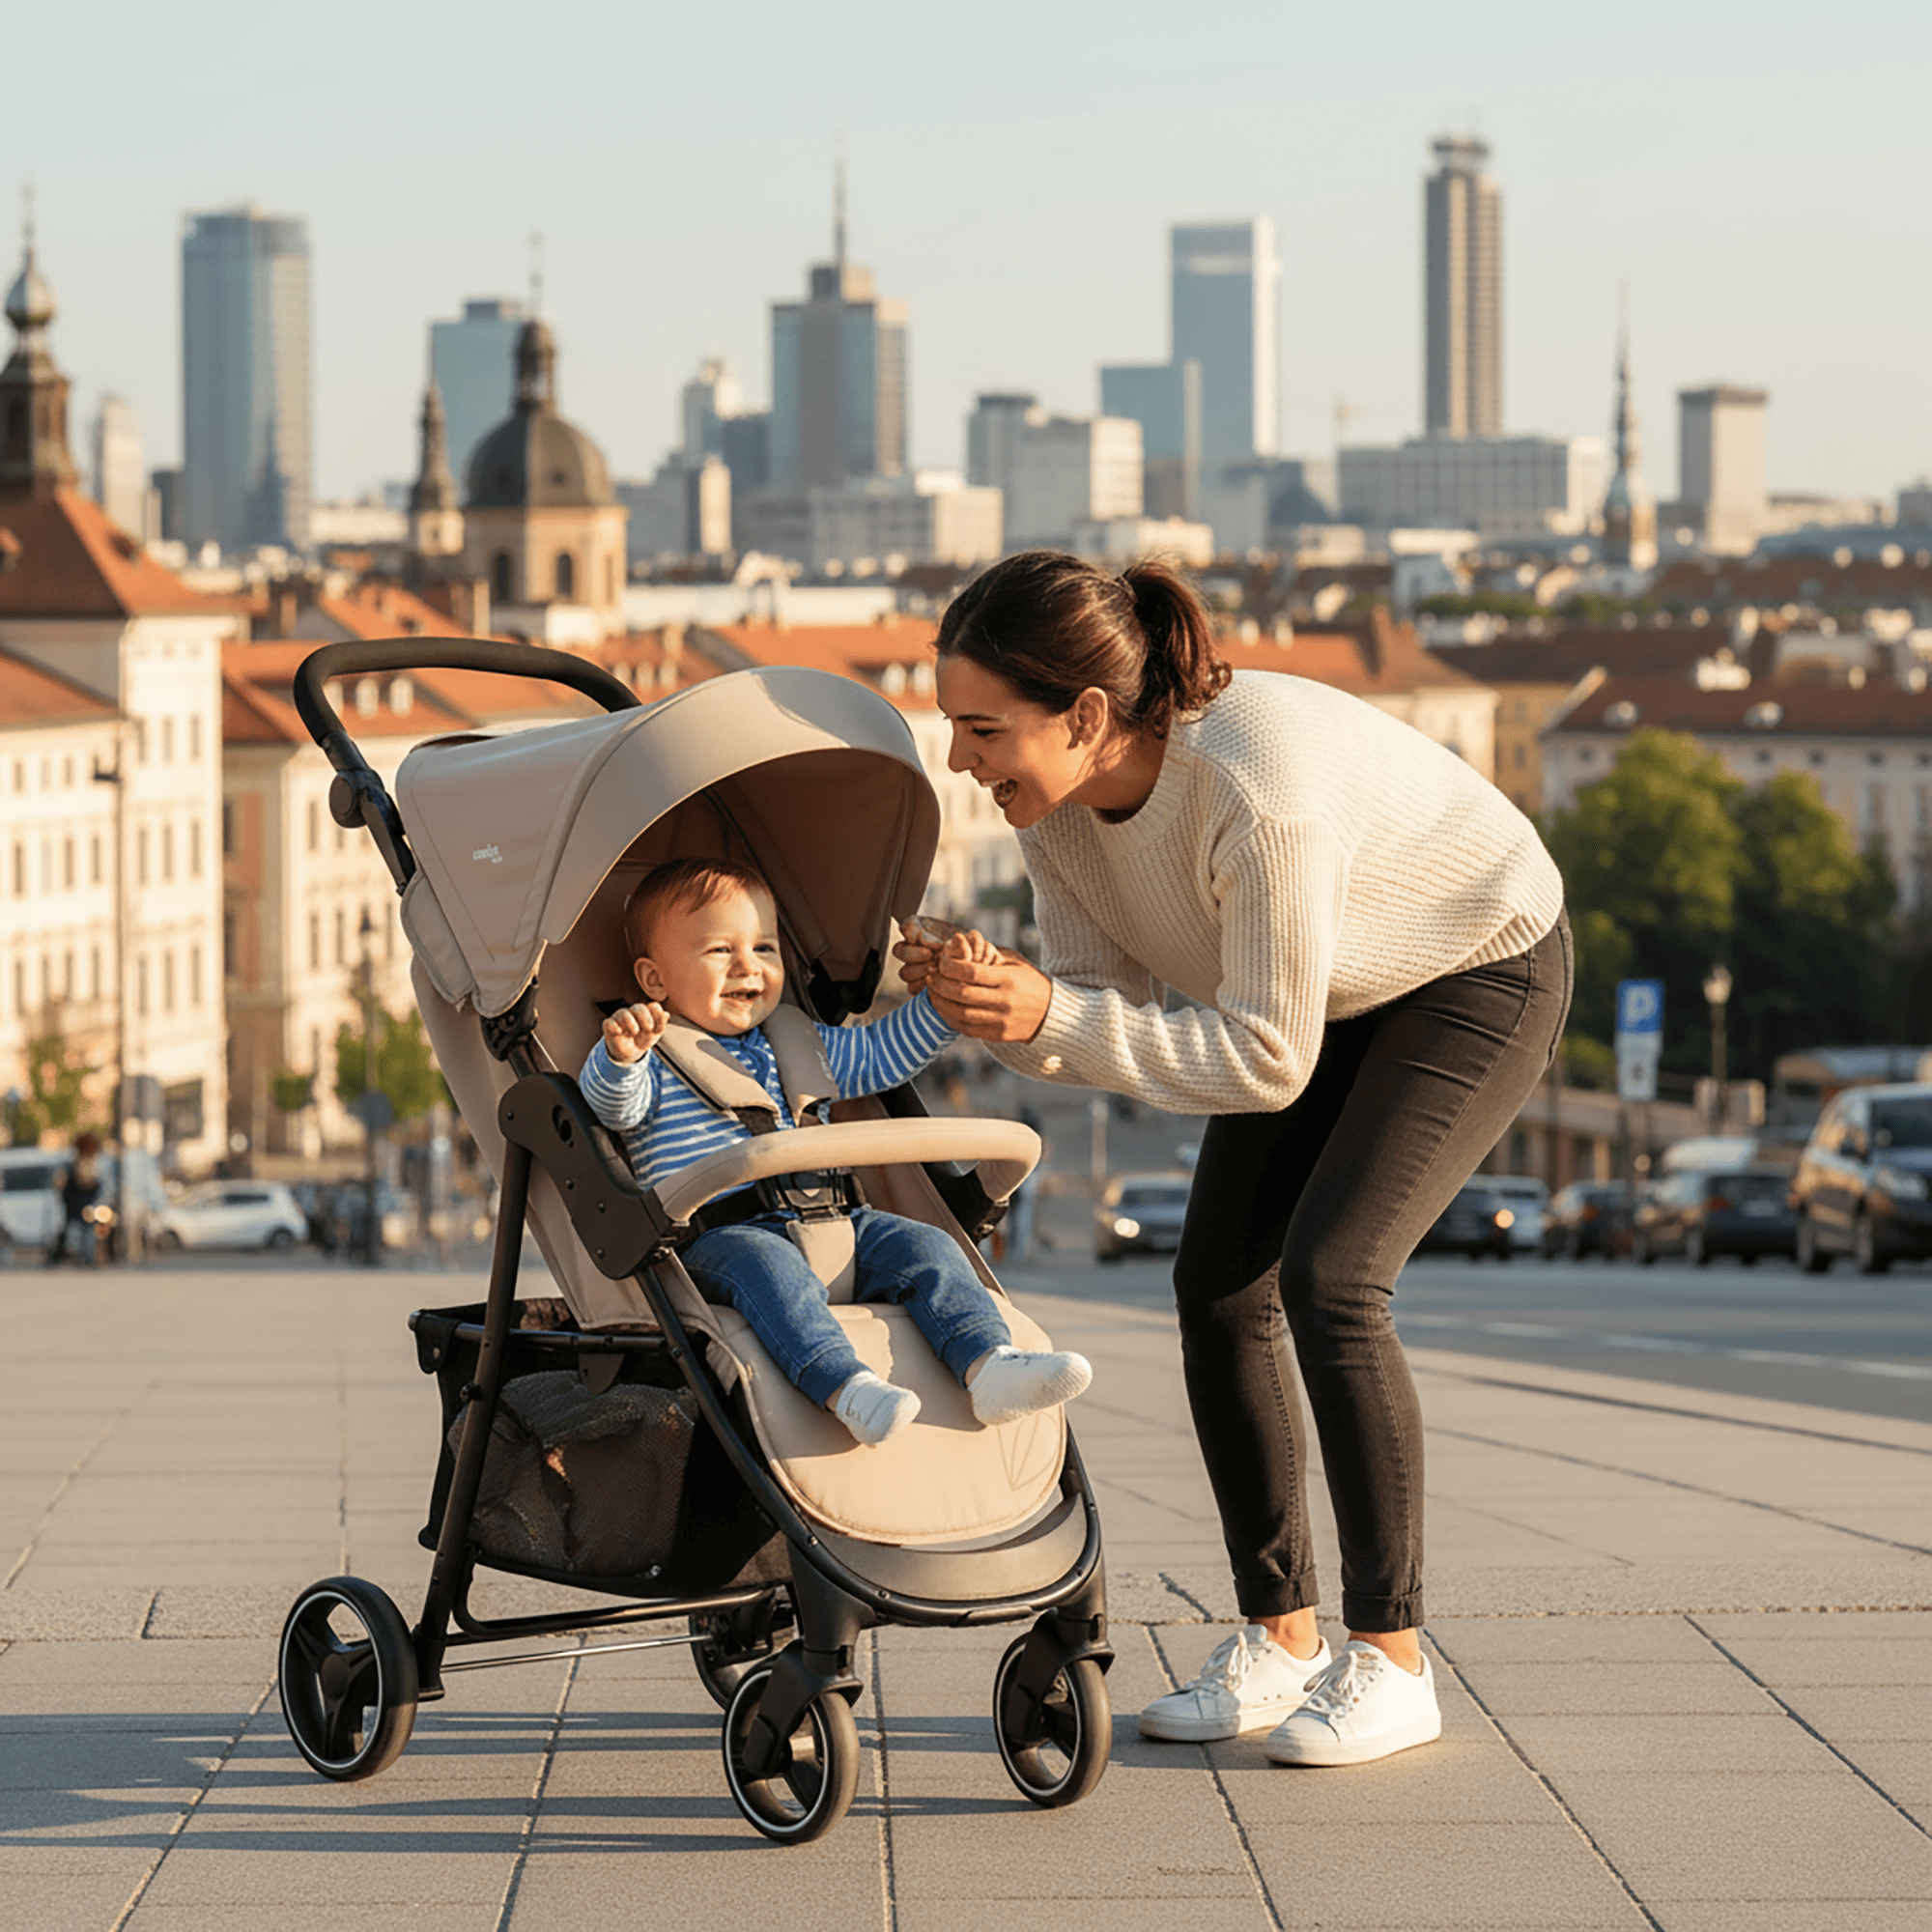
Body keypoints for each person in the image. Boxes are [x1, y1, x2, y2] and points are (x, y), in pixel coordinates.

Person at [898, 551, 1570, 1768]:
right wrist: (1003, 1006)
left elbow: (1261, 1059)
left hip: (1471, 960)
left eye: (981, 728)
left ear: (1087, 714)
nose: (960, 761)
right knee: (1213, 1283)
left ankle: (1393, 1660)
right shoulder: (1050, 813)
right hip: (1297, 997)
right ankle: (1280, 1637)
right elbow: (1103, 1010)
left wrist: (1050, 1012)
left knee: (1332, 1278)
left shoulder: (1252, 791)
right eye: (955, 728)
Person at [579, 858, 1092, 1448]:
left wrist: (945, 1006)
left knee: (927, 1247)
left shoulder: (799, 1042)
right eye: (721, 951)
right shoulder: (651, 1053)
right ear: (655, 979)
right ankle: (846, 1387)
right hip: (724, 1237)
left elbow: (882, 1056)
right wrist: (622, 1057)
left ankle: (989, 1363)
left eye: (765, 948)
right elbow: (615, 1110)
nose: (750, 966)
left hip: (836, 1221)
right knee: (770, 1272)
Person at [47, 1132, 103, 1267]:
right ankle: (69, 1256)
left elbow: (95, 1185)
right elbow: (62, 1184)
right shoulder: (72, 1165)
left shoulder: (91, 1165)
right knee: (74, 1230)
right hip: (75, 1205)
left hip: (83, 1206)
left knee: (83, 1230)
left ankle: (84, 1257)